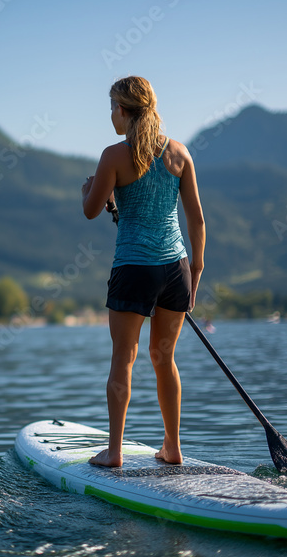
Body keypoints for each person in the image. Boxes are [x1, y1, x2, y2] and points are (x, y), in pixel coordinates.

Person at [80, 76, 205, 467]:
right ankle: (173, 448)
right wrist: (195, 273)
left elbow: (89, 209)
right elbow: (197, 220)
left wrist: (89, 189)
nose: (110, 114)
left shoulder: (114, 156)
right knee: (163, 358)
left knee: (124, 357)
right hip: (175, 270)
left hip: (134, 269)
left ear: (124, 110)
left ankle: (114, 451)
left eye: (112, 106)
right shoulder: (179, 154)